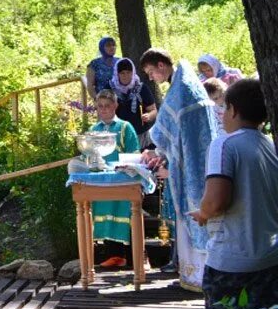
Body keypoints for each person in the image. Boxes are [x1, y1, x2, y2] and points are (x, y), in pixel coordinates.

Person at [190, 78, 278, 309]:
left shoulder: (225, 145)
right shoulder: (269, 146)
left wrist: (203, 213)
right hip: (269, 261)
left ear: (234, 110)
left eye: (225, 107)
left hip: (232, 264)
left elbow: (216, 200)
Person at [141, 48, 219, 291]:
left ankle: (197, 277)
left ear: (162, 65)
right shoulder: (186, 85)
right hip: (200, 161)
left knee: (192, 217)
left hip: (192, 166)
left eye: (151, 72)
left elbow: (163, 132)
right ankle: (196, 275)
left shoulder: (181, 92)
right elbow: (178, 134)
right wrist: (164, 155)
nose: (152, 77)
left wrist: (157, 152)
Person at [88, 89, 142, 268]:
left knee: (125, 214)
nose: (103, 110)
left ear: (115, 106)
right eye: (100, 106)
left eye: (107, 106)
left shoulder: (125, 127)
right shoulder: (93, 130)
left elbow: (135, 153)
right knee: (103, 215)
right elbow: (88, 156)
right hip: (101, 182)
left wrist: (125, 167)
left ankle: (134, 257)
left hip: (122, 181)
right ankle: (114, 255)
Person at [112, 58, 157, 142]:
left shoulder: (142, 88)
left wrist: (149, 116)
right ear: (117, 74)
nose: (125, 76)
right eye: (122, 73)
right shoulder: (110, 88)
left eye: (128, 72)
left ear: (133, 73)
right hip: (116, 134)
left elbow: (154, 110)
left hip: (139, 134)